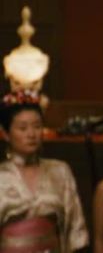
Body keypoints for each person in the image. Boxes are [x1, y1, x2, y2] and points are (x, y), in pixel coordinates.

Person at [0, 90, 88, 252]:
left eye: (37, 126)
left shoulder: (60, 171)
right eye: (22, 128)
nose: (31, 134)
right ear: (6, 133)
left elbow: (75, 230)